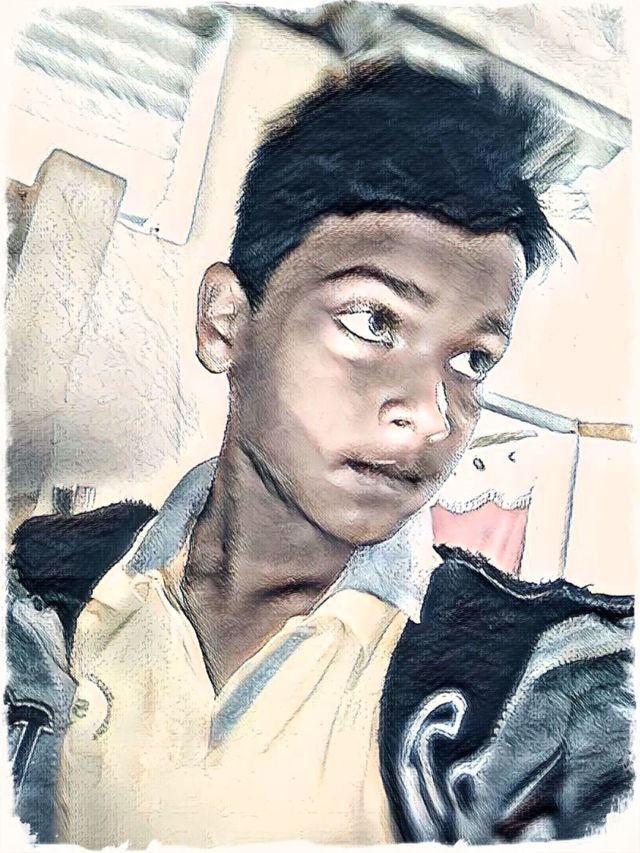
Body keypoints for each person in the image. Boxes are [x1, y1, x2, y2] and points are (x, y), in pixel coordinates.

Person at [6, 61, 633, 847]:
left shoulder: (540, 681)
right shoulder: (41, 586)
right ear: (226, 322)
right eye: (374, 321)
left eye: (472, 359)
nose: (431, 415)